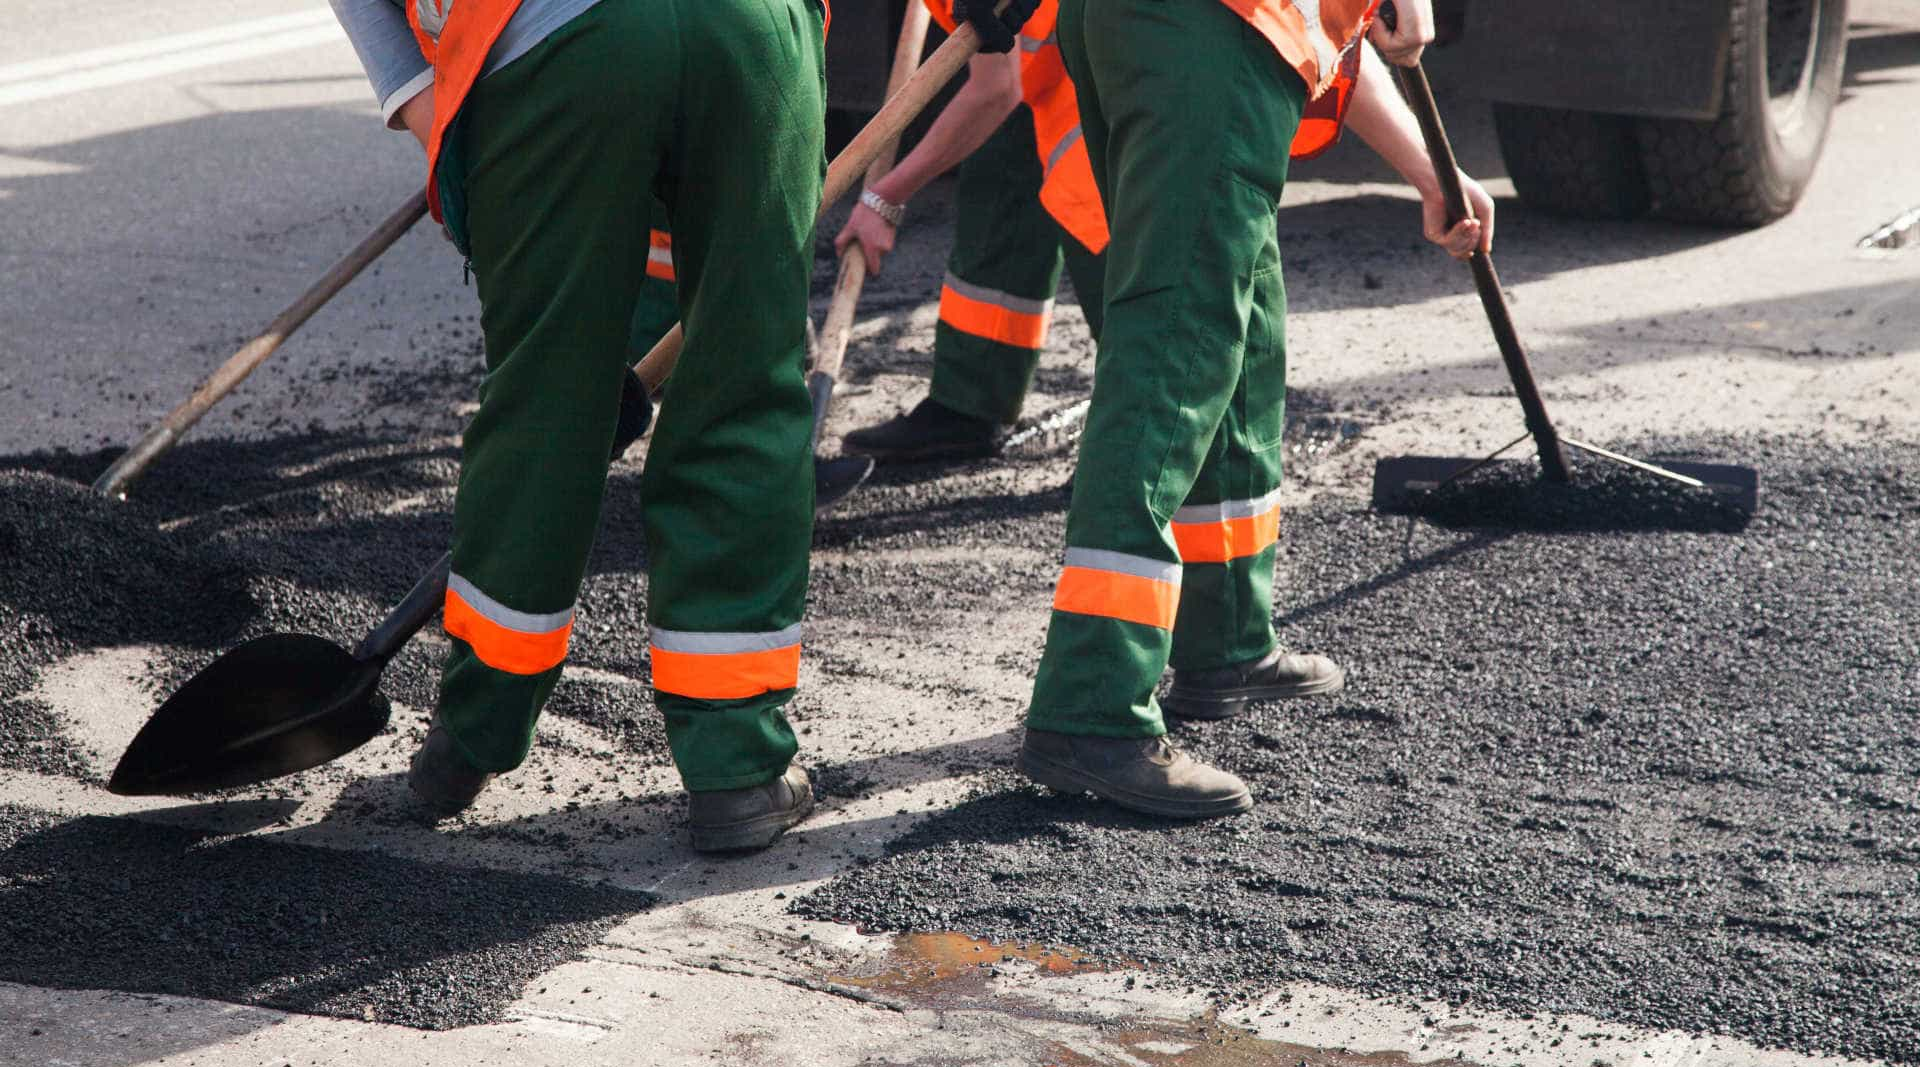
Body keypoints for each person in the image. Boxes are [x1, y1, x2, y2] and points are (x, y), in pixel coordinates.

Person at [325, 0, 917, 851]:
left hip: (561, 39)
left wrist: (446, 118)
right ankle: (737, 769)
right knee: (744, 383)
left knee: (544, 397)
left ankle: (470, 737)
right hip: (747, 32)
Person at [1017, 0, 1496, 818]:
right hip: (1204, 30)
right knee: (1173, 349)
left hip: (1187, 27)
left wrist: (1427, 168)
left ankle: (1228, 637)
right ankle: (1091, 711)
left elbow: (1314, 27)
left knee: (1240, 325)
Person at [833, 0, 1108, 462]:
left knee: (1111, 242)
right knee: (999, 169)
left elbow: (995, 92)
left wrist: (884, 198)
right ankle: (972, 397)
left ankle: (1152, 446)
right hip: (1049, 56)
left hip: (1118, 64)